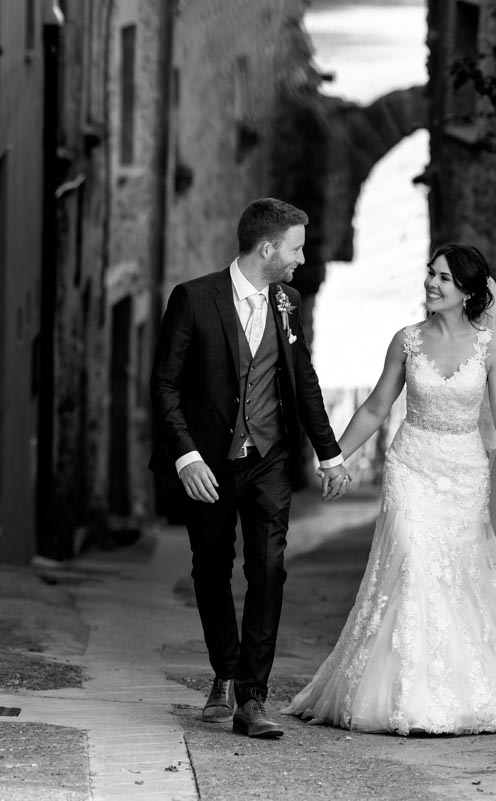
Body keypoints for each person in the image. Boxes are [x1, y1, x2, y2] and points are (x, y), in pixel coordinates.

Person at [284, 244, 496, 734]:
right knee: (412, 564)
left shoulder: (489, 347)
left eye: (443, 278)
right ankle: (403, 695)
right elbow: (377, 407)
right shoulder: (407, 341)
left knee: (458, 577)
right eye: (430, 274)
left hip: (464, 473)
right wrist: (333, 456)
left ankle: (457, 690)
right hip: (411, 466)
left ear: (467, 291)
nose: (431, 284)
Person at [149, 198, 353, 740]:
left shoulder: (288, 301)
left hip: (270, 460)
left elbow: (302, 378)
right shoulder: (193, 299)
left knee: (268, 567)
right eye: (296, 247)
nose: (301, 259)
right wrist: (186, 455)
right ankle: (226, 669)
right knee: (211, 570)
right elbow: (165, 386)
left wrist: (329, 454)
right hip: (208, 464)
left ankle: (252, 697)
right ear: (267, 248)